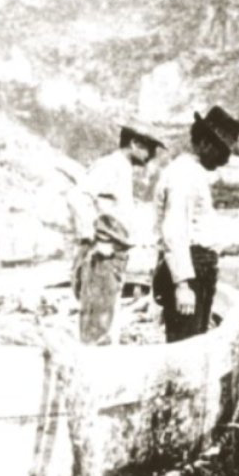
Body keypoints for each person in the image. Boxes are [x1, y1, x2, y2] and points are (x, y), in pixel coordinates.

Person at [67, 124, 166, 344]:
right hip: (103, 254)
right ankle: (92, 363)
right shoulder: (110, 166)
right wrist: (93, 238)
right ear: (134, 143)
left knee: (106, 320)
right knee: (97, 325)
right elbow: (77, 197)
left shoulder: (122, 168)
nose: (152, 155)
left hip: (114, 255)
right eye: (149, 148)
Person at [152, 106, 239, 343]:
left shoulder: (193, 172)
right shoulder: (184, 174)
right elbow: (174, 229)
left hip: (197, 268)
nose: (223, 160)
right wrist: (182, 284)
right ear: (203, 143)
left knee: (195, 340)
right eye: (220, 150)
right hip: (191, 268)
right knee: (186, 345)